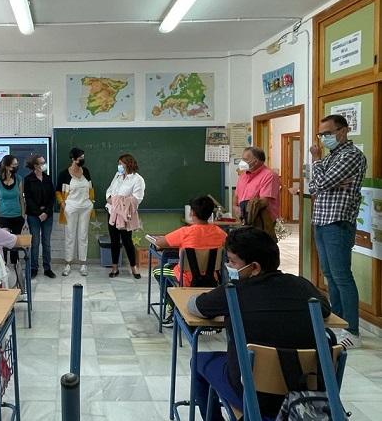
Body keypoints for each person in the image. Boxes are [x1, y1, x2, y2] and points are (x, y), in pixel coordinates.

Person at [188, 227, 331, 419]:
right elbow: (324, 309)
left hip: (253, 393)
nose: (228, 266)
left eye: (232, 261)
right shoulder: (302, 286)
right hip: (307, 392)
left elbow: (197, 306)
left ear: (254, 267)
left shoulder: (233, 292)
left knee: (199, 359)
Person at [310, 114, 367, 349]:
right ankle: (338, 320)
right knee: (329, 274)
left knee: (342, 276)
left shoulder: (351, 155)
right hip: (321, 220)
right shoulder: (332, 156)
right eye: (321, 134)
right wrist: (322, 172)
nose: (324, 138)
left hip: (338, 222)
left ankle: (352, 331)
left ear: (343, 131)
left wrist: (316, 162)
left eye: (328, 133)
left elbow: (320, 184)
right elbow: (314, 186)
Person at [155, 196, 227, 326]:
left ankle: (174, 307)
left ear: (192, 212)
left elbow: (160, 243)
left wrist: (161, 239)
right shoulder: (220, 233)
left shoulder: (185, 232)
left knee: (158, 271)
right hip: (213, 278)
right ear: (211, 213)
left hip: (186, 278)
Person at [56, 147, 94, 277]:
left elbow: (91, 188)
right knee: (70, 235)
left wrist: (92, 202)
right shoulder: (64, 174)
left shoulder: (86, 171)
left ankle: (83, 264)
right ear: (73, 159)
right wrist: (62, 203)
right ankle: (68, 263)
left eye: (83, 157)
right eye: (80, 157)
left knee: (83, 235)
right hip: (70, 208)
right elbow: (57, 191)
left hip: (85, 208)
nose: (82, 159)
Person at [105, 154, 145, 279]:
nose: (119, 166)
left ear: (128, 164)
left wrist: (119, 201)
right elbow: (110, 190)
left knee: (127, 241)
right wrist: (110, 198)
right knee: (114, 241)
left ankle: (134, 267)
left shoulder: (137, 179)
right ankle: (114, 267)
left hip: (125, 215)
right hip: (112, 212)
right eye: (119, 163)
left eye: (121, 163)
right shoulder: (117, 176)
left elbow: (137, 198)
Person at [23, 154, 56, 279]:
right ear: (35, 165)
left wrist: (46, 212)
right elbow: (29, 198)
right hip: (34, 215)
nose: (44, 164)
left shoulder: (47, 178)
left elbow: (52, 197)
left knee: (46, 242)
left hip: (48, 215)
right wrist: (38, 213)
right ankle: (34, 268)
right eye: (42, 163)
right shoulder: (28, 179)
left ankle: (47, 268)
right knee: (35, 242)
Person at [0, 155, 25, 264]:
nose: (16, 166)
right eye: (14, 165)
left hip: (17, 216)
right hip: (2, 217)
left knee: (15, 245)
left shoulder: (19, 178)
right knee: (4, 245)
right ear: (6, 165)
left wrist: (23, 216)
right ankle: (3, 269)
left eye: (17, 164)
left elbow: (21, 198)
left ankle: (15, 268)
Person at [233, 146, 280, 222]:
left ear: (256, 161)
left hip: (262, 221)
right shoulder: (243, 175)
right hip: (244, 220)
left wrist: (244, 209)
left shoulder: (269, 175)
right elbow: (236, 195)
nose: (242, 162)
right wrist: (235, 207)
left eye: (245, 160)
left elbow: (263, 201)